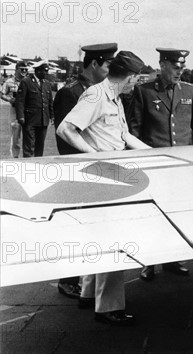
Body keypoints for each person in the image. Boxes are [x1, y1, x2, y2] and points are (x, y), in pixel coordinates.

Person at [57, 50, 149, 326]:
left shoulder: (114, 97)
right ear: (130, 77)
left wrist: (156, 154)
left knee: (97, 237)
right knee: (114, 239)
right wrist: (94, 159)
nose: (136, 83)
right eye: (136, 79)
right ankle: (108, 307)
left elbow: (123, 135)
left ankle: (88, 294)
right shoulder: (97, 95)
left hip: (113, 174)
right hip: (103, 175)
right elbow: (65, 129)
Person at [129, 47, 193, 279]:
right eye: (176, 67)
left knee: (177, 214)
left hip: (181, 166)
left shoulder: (188, 90)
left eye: (183, 68)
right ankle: (149, 261)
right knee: (153, 215)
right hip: (155, 166)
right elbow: (135, 130)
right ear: (163, 65)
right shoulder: (144, 91)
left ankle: (173, 258)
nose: (180, 72)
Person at [51, 43, 117, 299]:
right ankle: (67, 280)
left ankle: (87, 281)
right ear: (94, 64)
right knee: (75, 225)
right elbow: (65, 136)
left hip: (97, 169)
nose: (111, 69)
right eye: (108, 64)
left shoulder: (100, 91)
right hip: (78, 169)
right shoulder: (70, 92)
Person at [15, 61, 53, 157]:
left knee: (40, 147)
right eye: (45, 71)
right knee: (29, 147)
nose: (46, 73)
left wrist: (52, 116)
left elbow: (50, 101)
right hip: (30, 120)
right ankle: (27, 167)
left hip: (43, 120)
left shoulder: (47, 83)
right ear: (38, 71)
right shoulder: (26, 82)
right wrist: (21, 117)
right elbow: (20, 101)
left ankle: (38, 167)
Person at [0, 61, 28, 157]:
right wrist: (9, 99)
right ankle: (14, 158)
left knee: (29, 137)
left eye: (26, 69)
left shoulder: (29, 81)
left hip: (27, 111)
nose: (24, 71)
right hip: (15, 112)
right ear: (16, 70)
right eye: (22, 69)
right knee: (15, 137)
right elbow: (1, 94)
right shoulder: (9, 82)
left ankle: (28, 157)